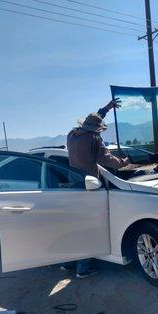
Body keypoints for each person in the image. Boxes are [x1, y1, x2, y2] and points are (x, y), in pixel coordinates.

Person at [67, 99, 129, 278]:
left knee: (75, 228)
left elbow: (93, 120)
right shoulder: (93, 138)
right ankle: (82, 268)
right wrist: (123, 163)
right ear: (96, 130)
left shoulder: (72, 134)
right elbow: (106, 159)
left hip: (73, 185)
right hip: (89, 187)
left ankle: (68, 263)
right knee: (89, 229)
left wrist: (106, 109)